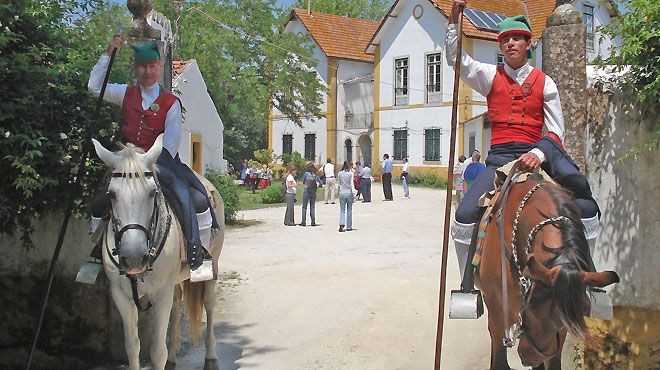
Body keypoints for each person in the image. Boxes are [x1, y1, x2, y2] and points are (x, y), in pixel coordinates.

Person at [447, 0, 600, 280]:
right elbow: (457, 60)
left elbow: (556, 132)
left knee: (588, 209)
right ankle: (468, 285)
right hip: (499, 161)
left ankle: (587, 281)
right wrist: (454, 21)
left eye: (516, 38)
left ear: (529, 44)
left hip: (535, 159)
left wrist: (539, 155)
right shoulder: (490, 76)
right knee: (464, 215)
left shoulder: (546, 83)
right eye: (505, 39)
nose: (510, 43)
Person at [88, 35, 219, 270]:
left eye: (151, 66)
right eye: (142, 66)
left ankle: (195, 251)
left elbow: (169, 145)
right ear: (136, 69)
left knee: (191, 199)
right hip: (126, 166)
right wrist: (108, 53)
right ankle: (99, 252)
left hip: (162, 163)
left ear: (158, 68)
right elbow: (95, 87)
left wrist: (145, 163)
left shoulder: (171, 103)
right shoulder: (125, 93)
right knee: (101, 202)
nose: (147, 71)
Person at [338, 161, 355, 232]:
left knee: (342, 210)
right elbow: (351, 184)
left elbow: (339, 184)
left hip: (342, 192)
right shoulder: (351, 174)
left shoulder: (339, 173)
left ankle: (341, 223)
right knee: (349, 209)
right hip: (349, 192)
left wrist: (338, 192)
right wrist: (354, 194)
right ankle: (349, 226)